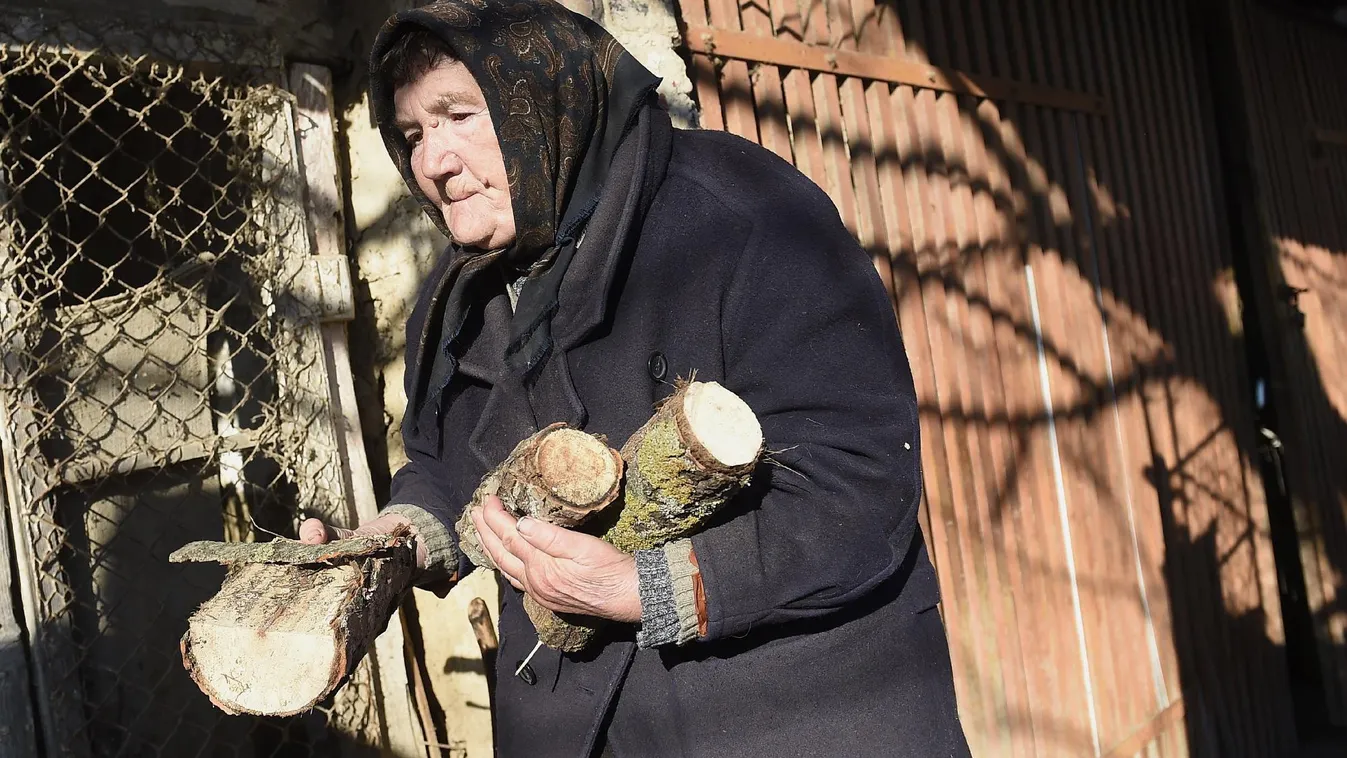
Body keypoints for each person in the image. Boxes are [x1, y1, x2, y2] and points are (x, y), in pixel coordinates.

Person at [300, 1, 971, 755]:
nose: (433, 161)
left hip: (786, 708)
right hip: (574, 722)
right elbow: (444, 466)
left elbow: (859, 481)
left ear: (546, 101)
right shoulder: (462, 292)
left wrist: (644, 588)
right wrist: (396, 541)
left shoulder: (740, 214)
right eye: (414, 133)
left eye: (459, 115)